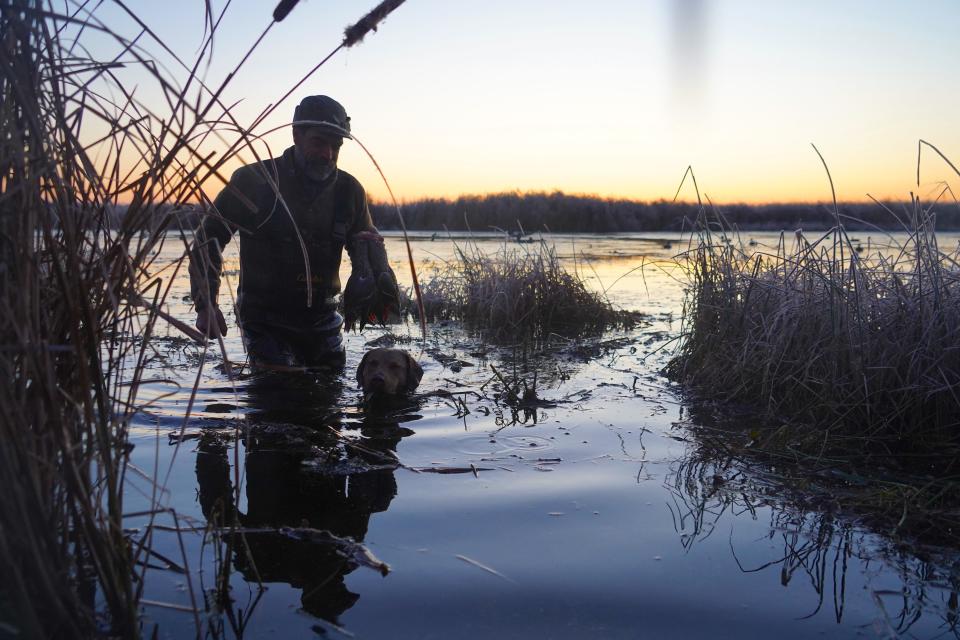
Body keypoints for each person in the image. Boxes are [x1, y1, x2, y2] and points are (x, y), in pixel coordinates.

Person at [189, 95, 395, 368]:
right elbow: (208, 238)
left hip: (324, 321)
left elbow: (366, 246)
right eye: (319, 142)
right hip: (264, 321)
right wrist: (206, 304)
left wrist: (373, 265)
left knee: (330, 391)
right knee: (277, 388)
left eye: (336, 145)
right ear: (296, 134)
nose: (328, 154)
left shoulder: (350, 191)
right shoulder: (255, 180)